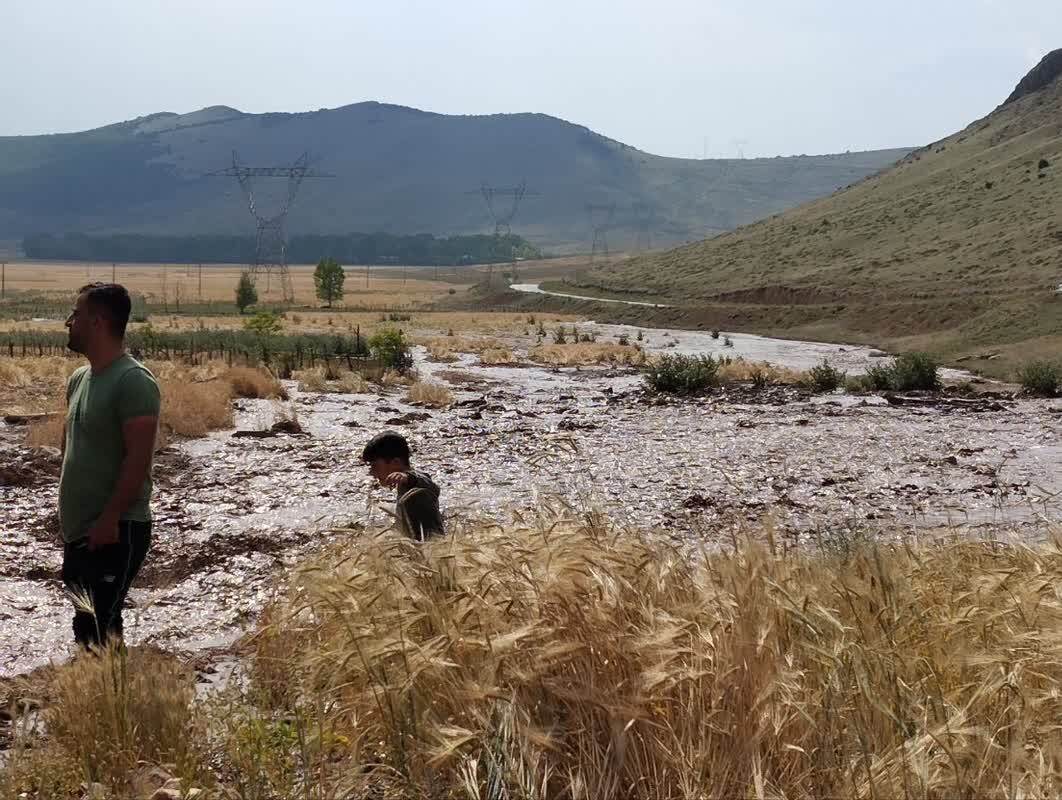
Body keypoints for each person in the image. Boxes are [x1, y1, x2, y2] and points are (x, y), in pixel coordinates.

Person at [59, 283, 160, 649]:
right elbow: (72, 447)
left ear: (97, 322)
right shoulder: (79, 380)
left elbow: (139, 458)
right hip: (79, 531)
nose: (69, 322)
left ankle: (113, 701)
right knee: (86, 627)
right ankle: (93, 701)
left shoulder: (133, 381)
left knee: (102, 627)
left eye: (76, 314)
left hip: (118, 529)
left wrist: (110, 517)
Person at [362, 431, 444, 541]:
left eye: (375, 466)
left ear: (396, 462)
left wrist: (409, 478)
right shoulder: (403, 487)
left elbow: (433, 488)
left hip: (432, 550)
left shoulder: (416, 484)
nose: (371, 472)